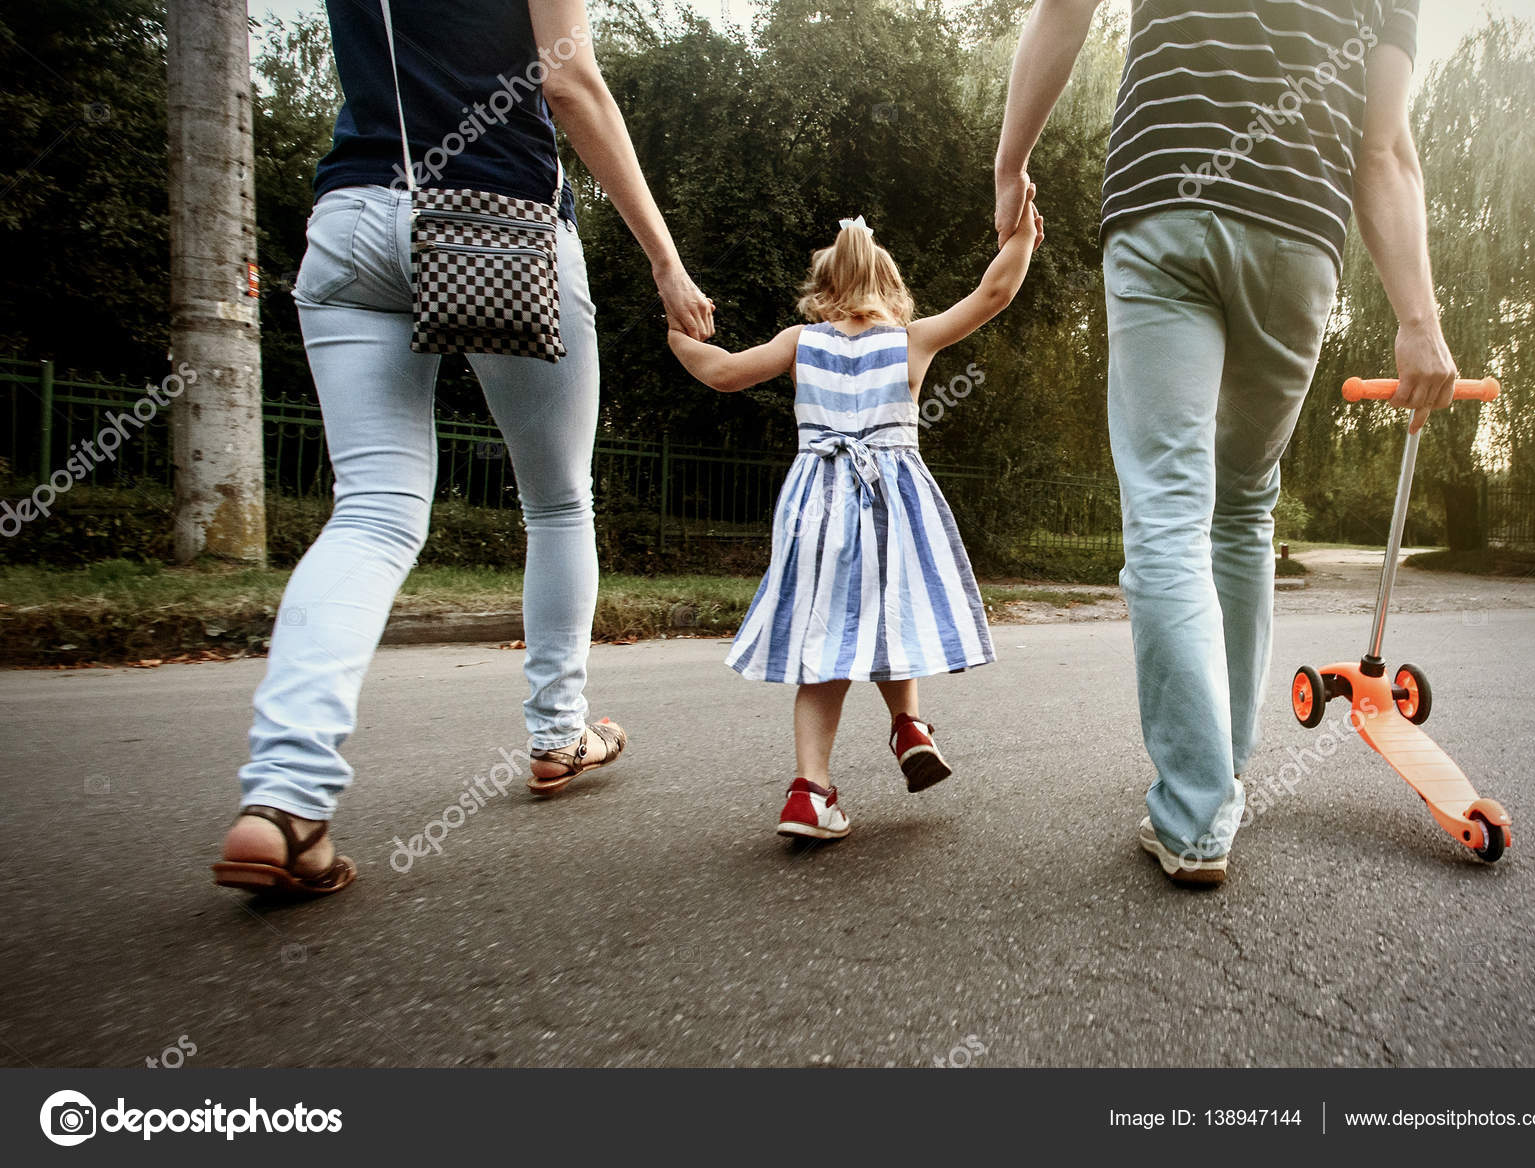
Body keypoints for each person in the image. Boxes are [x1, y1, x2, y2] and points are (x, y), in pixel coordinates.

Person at [214, 0, 715, 896]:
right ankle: (559, 733)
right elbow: (568, 80)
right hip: (500, 220)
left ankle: (284, 799)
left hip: (353, 219)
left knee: (371, 511)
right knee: (558, 499)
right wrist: (666, 261)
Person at [994, 0, 1459, 884]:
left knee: (1170, 508)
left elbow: (1065, 6)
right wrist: (1418, 322)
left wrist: (1010, 163)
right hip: (1297, 228)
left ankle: (1197, 810)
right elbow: (1385, 148)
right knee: (1242, 503)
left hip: (1165, 196)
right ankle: (1226, 768)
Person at [666, 206, 1043, 841]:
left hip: (817, 502)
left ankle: (810, 792)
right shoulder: (911, 340)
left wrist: (676, 329)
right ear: (890, 286)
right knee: (891, 613)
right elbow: (995, 291)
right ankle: (910, 728)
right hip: (893, 502)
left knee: (828, 640)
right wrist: (1023, 235)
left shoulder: (798, 342)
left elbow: (722, 372)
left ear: (823, 290)